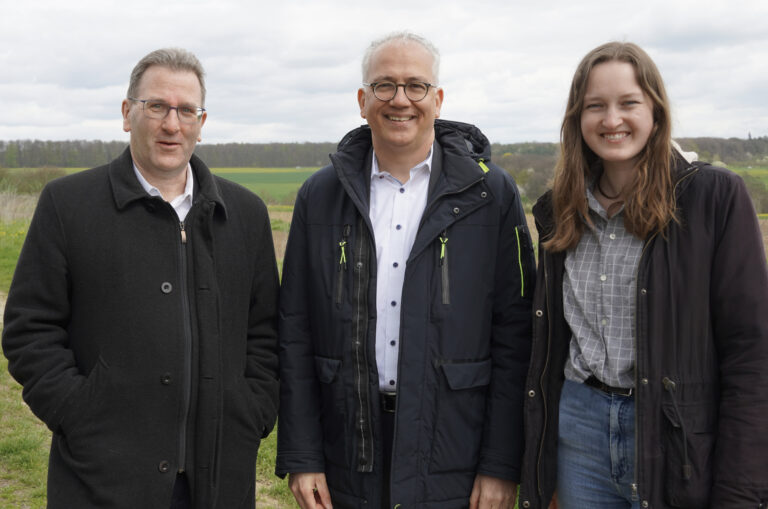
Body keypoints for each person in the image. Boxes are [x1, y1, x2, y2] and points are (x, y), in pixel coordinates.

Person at [2, 48, 280, 508]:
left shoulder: (245, 213)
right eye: (157, 107)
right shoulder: (68, 205)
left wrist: (250, 412)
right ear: (128, 113)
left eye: (186, 110)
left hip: (219, 478)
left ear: (201, 121)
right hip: (102, 477)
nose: (173, 124)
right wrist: (77, 412)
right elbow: (30, 330)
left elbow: (266, 332)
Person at [275, 31, 534, 509]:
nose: (400, 100)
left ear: (437, 98)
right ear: (362, 100)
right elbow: (296, 330)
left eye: (415, 86)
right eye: (384, 86)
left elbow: (514, 335)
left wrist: (501, 464)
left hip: (453, 444)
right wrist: (303, 454)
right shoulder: (321, 195)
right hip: (348, 447)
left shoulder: (491, 195)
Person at [518, 41, 768, 509]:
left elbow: (752, 352)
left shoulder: (713, 198)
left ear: (655, 109)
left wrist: (742, 489)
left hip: (675, 435)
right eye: (595, 106)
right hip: (580, 432)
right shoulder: (559, 210)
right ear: (577, 118)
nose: (612, 120)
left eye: (628, 103)